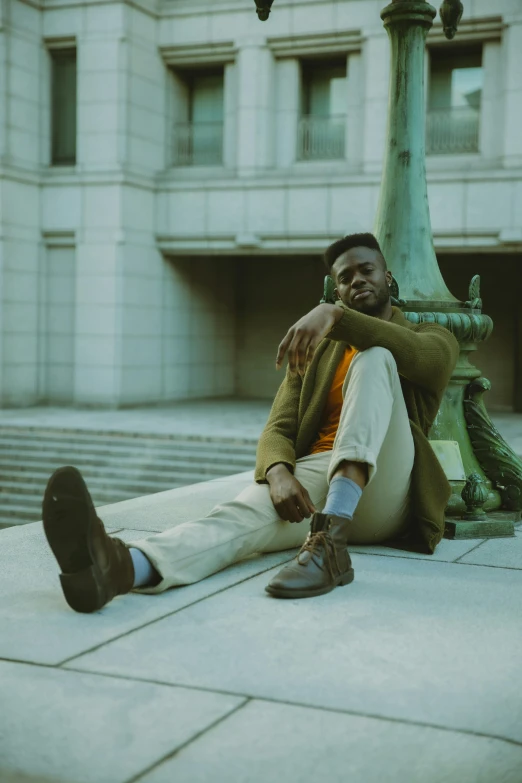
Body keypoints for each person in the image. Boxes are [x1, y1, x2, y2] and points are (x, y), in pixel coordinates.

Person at [42, 233, 459, 613]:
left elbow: (427, 361)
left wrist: (333, 315)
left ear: (387, 276)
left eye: (366, 270)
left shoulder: (431, 335)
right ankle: (117, 568)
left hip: (387, 489)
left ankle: (330, 541)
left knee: (375, 357)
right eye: (345, 278)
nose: (357, 281)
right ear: (338, 288)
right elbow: (278, 427)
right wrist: (278, 472)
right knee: (235, 518)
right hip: (322, 483)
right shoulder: (318, 352)